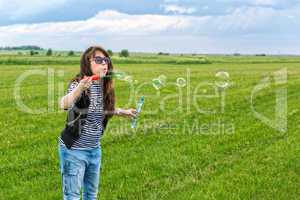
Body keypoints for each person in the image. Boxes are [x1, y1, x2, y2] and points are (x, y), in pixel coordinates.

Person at [58, 46, 136, 200]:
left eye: (106, 60)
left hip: (94, 150)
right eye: (99, 60)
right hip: (74, 150)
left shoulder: (103, 86)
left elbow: (103, 109)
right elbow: (64, 104)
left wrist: (123, 112)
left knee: (91, 195)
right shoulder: (79, 84)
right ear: (88, 63)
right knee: (72, 196)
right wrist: (80, 88)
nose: (104, 64)